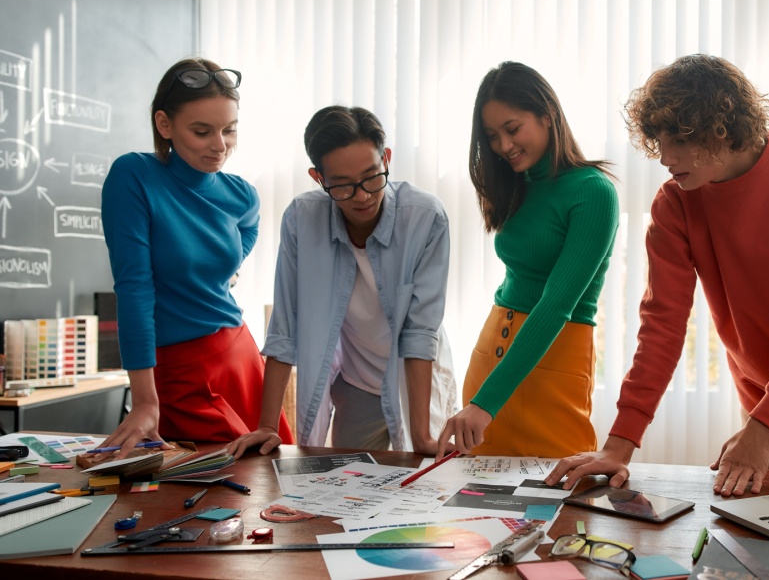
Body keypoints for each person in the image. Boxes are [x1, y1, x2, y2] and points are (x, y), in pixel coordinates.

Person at [547, 54, 769, 496]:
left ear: (722, 129)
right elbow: (662, 327)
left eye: (678, 139)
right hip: (768, 402)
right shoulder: (674, 203)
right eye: (658, 140)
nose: (665, 157)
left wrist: (761, 428)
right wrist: (619, 445)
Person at [227, 105, 456, 458]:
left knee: (421, 490)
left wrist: (423, 433)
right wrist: (268, 426)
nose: (362, 196)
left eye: (371, 177)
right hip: (355, 383)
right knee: (348, 490)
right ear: (319, 178)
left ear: (387, 159)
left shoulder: (426, 218)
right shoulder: (302, 219)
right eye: (344, 186)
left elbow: (420, 332)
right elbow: (284, 327)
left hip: (415, 382)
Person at [100, 57, 293, 457]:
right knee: (233, 484)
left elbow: (249, 226)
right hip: (179, 369)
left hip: (239, 355)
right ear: (164, 125)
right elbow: (134, 289)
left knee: (282, 482)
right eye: (203, 132)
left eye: (229, 130)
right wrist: (145, 401)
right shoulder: (134, 176)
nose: (220, 145)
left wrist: (220, 270)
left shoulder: (240, 193)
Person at [436, 61, 620, 459]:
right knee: (474, 509)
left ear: (547, 114)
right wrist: (483, 400)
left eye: (512, 128)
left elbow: (556, 305)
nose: (503, 146)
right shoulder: (516, 186)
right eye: (492, 136)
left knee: (559, 504)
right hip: (492, 360)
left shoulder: (593, 192)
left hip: (552, 360)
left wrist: (486, 403)